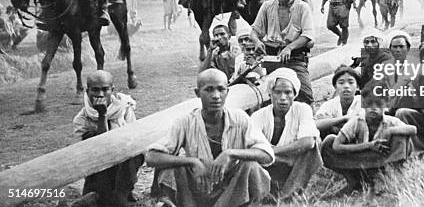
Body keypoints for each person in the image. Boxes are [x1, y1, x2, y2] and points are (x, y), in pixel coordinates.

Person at [146, 69, 274, 207]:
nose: (216, 96)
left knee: (252, 167)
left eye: (221, 89)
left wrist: (230, 153)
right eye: (209, 90)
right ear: (197, 93)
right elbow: (151, 157)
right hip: (199, 190)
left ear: (227, 92)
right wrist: (192, 162)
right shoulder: (185, 122)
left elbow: (267, 155)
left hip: (233, 190)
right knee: (173, 170)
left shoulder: (240, 118)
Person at [321, 79, 416, 197]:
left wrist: (390, 131)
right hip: (361, 159)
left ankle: (389, 178)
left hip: (384, 160)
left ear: (386, 105)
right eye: (369, 103)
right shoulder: (357, 121)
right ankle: (353, 180)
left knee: (402, 135)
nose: (373, 108)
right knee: (328, 142)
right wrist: (369, 145)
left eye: (378, 104)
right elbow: (336, 145)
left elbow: (413, 129)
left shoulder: (390, 122)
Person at [73, 71, 142, 206]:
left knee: (133, 154)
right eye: (95, 90)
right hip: (98, 165)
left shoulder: (124, 108)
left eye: (105, 89)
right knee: (99, 197)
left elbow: (133, 142)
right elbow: (100, 149)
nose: (100, 94)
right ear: (87, 91)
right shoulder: (81, 119)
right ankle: (111, 195)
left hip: (125, 161)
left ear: (112, 90)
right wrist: (102, 115)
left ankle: (122, 194)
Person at [250, 68, 322, 199]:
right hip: (269, 166)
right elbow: (255, 148)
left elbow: (308, 142)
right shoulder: (258, 116)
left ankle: (289, 194)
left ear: (294, 94)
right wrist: (282, 156)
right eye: (277, 92)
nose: (283, 98)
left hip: (294, 167)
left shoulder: (302, 109)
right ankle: (267, 193)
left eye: (288, 92)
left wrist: (273, 150)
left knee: (314, 146)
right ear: (270, 94)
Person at [250, 0, 315, 104]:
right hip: (271, 58)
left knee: (306, 96)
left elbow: (307, 35)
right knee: (267, 96)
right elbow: (254, 31)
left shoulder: (302, 7)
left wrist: (289, 47)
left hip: (294, 59)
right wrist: (257, 42)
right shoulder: (267, 6)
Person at [315, 66, 363, 138]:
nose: (346, 86)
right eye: (341, 83)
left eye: (351, 82)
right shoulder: (330, 104)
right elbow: (316, 124)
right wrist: (344, 119)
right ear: (335, 87)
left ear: (357, 87)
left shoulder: (363, 101)